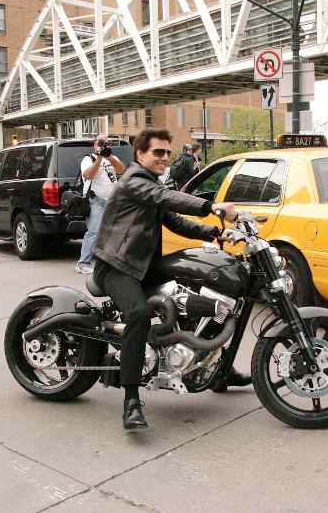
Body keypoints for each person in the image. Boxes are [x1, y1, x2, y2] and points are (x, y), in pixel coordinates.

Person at [92, 129, 250, 430]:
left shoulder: (151, 183)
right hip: (116, 266)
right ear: (140, 154)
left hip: (143, 264)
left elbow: (174, 221)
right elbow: (166, 198)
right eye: (158, 152)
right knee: (138, 315)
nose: (165, 157)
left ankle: (216, 367)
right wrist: (212, 207)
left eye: (167, 152)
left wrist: (216, 233)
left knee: (205, 290)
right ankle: (131, 401)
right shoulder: (134, 181)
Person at [75, 134, 125, 274]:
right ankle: (83, 263)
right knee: (94, 232)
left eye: (106, 143)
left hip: (113, 202)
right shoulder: (88, 159)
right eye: (101, 143)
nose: (104, 145)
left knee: (113, 233)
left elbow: (121, 170)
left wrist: (109, 157)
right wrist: (99, 159)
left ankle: (110, 263)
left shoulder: (112, 158)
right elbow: (88, 175)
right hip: (96, 201)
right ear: (95, 144)